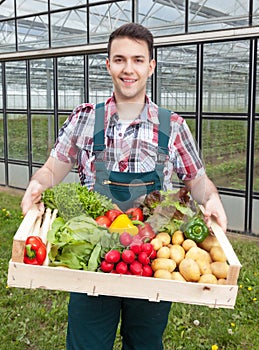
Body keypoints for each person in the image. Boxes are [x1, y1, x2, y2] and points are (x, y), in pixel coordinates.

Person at [21, 23, 227, 350]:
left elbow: (197, 181)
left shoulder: (173, 126)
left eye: (137, 60)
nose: (128, 69)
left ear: (151, 66)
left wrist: (212, 199)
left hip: (151, 257)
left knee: (144, 343)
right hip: (93, 260)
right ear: (108, 64)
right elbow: (52, 169)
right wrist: (37, 183)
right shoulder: (85, 118)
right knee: (87, 344)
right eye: (119, 60)